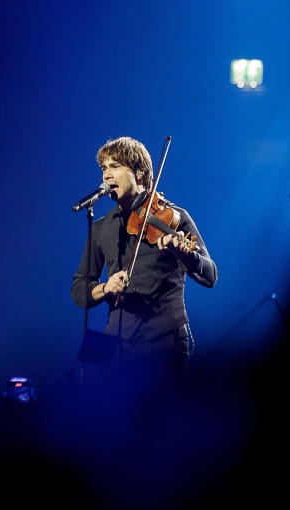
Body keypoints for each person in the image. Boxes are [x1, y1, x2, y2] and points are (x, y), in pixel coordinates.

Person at [71, 136, 218, 393]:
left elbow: (210, 275)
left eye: (115, 166)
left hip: (163, 340)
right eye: (104, 168)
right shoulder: (102, 226)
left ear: (139, 173)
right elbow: (78, 288)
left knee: (158, 421)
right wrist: (106, 288)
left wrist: (181, 252)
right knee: (93, 417)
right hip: (113, 340)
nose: (107, 175)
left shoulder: (174, 216)